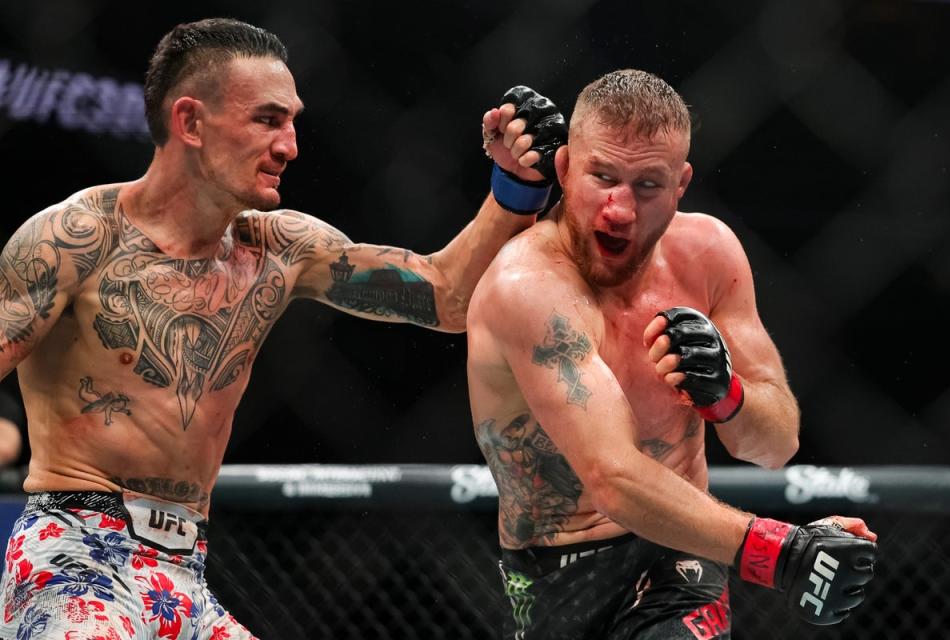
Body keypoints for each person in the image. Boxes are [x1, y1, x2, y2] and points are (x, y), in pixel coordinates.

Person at [0, 18, 567, 639]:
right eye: (268, 120)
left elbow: (446, 298)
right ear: (190, 122)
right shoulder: (73, 240)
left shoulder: (279, 250)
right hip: (74, 555)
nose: (291, 145)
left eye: (292, 120)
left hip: (185, 573)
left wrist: (515, 187)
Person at [466, 69, 879, 639]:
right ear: (563, 169)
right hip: (554, 575)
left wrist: (727, 395)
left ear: (682, 183)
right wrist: (781, 550)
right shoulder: (527, 285)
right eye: (602, 176)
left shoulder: (707, 253)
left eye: (647, 185)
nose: (619, 209)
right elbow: (611, 476)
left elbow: (776, 443)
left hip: (679, 556)